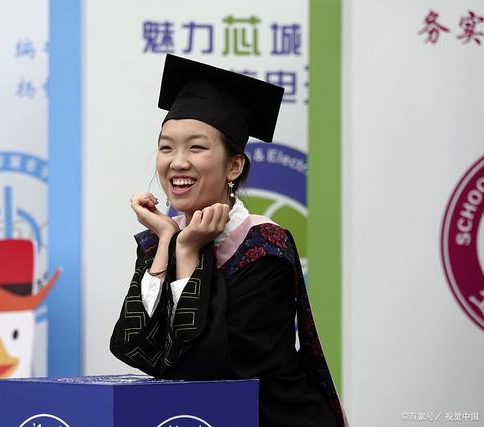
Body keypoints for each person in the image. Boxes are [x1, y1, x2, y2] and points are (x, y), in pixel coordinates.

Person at [110, 55, 345, 426]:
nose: (177, 162)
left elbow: (206, 367)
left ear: (234, 166)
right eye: (166, 147)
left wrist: (188, 253)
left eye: (196, 147)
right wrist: (169, 240)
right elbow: (132, 345)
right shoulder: (161, 240)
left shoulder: (264, 248)